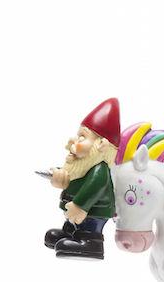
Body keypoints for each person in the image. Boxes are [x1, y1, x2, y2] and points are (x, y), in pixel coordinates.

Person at [43, 98, 120, 259]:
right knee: (73, 223)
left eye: (82, 137)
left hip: (94, 211)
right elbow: (73, 175)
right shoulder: (81, 165)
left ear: (101, 145)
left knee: (88, 226)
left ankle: (91, 242)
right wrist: (60, 177)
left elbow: (96, 187)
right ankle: (70, 233)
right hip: (76, 213)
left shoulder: (99, 169)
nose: (73, 142)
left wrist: (80, 206)